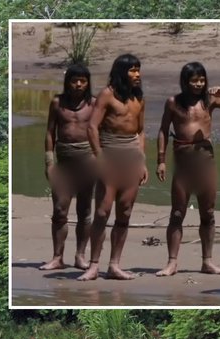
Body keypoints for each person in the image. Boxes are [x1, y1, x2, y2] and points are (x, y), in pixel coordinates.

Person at [155, 62, 220, 277]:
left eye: (202, 80)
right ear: (185, 81)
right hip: (183, 167)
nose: (198, 84)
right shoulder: (173, 103)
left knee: (208, 214)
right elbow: (163, 131)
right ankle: (172, 262)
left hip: (206, 165)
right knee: (177, 214)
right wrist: (161, 160)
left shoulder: (210, 100)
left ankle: (207, 261)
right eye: (194, 80)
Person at [79, 54, 148, 281]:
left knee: (125, 212)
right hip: (109, 157)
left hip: (132, 160)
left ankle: (114, 265)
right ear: (121, 72)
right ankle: (93, 265)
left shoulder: (139, 98)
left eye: (138, 69)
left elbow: (141, 131)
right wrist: (99, 158)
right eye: (132, 70)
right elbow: (92, 127)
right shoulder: (107, 95)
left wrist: (143, 161)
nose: (137, 74)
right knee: (101, 212)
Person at [42, 63, 97, 271]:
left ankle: (80, 256)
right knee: (59, 210)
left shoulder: (94, 104)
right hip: (63, 164)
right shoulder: (58, 103)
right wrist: (49, 163)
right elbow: (49, 133)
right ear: (68, 82)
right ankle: (57, 257)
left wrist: (98, 157)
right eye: (75, 80)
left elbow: (103, 132)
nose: (79, 84)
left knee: (84, 211)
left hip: (87, 163)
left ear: (88, 82)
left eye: (83, 81)